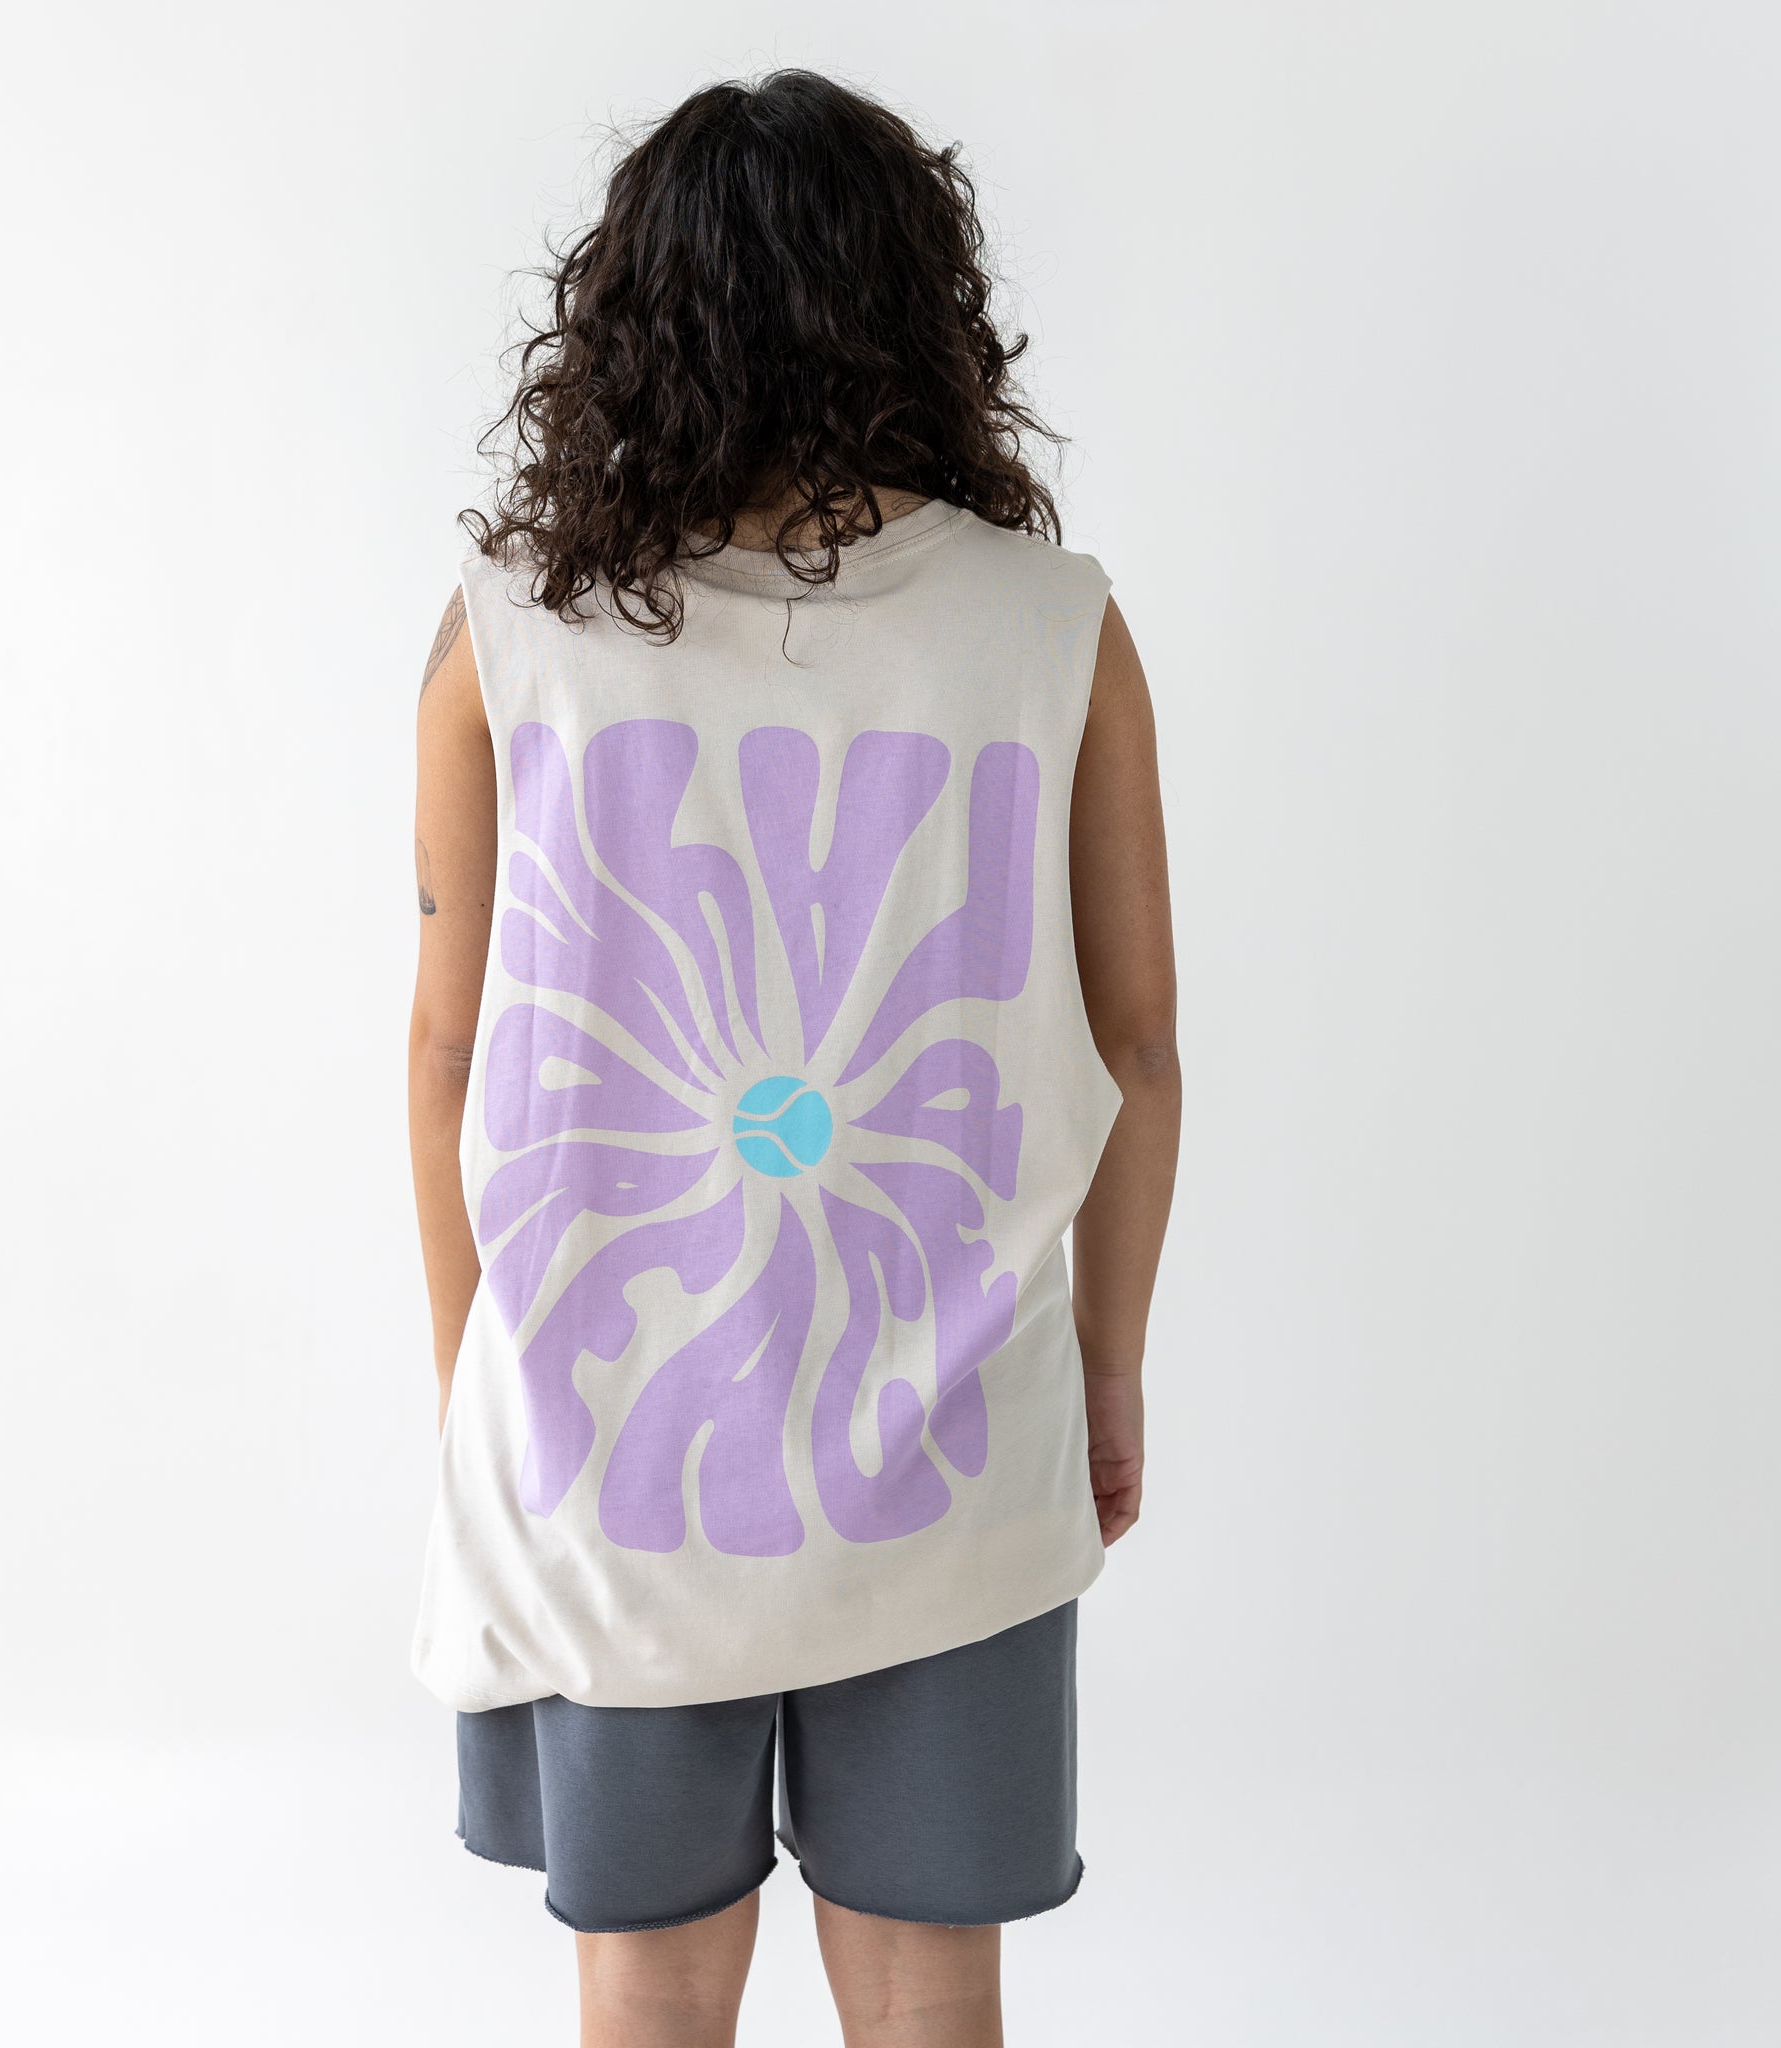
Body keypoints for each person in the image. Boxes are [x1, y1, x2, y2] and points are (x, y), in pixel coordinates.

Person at [406, 70, 1179, 2048]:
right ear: (916, 304)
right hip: (955, 1458)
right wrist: (1105, 1373)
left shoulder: (509, 636)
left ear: (628, 320)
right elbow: (1138, 1048)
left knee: (648, 1993)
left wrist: (479, 1394)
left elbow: (449, 1050)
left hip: (610, 1463)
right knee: (929, 1993)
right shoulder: (1054, 628)